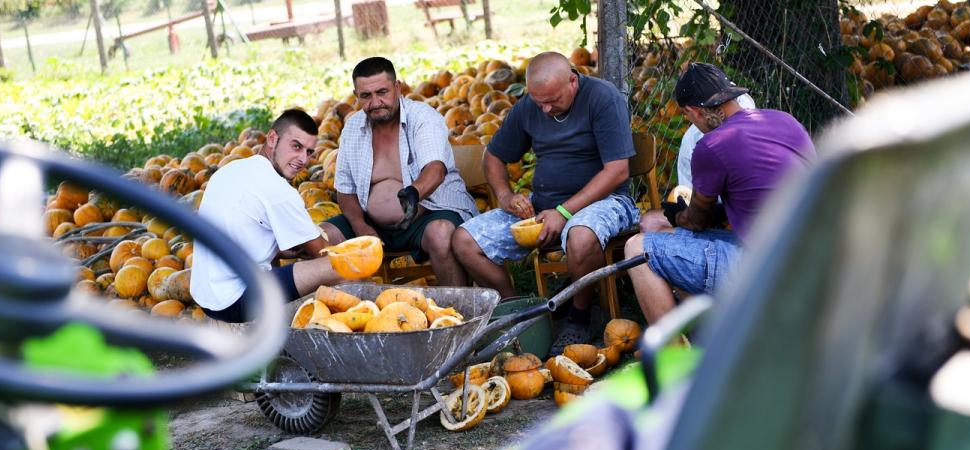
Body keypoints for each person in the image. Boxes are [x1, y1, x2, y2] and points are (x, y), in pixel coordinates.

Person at [452, 51, 639, 353]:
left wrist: (564, 212)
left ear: (573, 81)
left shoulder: (603, 98)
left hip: (606, 203)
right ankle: (522, 314)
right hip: (543, 207)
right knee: (463, 240)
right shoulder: (530, 106)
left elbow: (618, 170)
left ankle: (579, 317)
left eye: (553, 100)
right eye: (540, 102)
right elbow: (494, 157)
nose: (547, 109)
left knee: (581, 236)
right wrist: (505, 195)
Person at [625, 63, 816, 323]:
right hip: (816, 255)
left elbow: (696, 222)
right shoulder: (786, 121)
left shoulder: (712, 145)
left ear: (693, 111)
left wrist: (678, 214)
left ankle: (673, 358)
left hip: (769, 269)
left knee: (637, 249)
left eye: (687, 116)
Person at [322, 56, 477, 286]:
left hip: (425, 215)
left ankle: (464, 313)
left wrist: (413, 194)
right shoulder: (353, 128)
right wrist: (361, 226)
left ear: (397, 87)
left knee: (441, 233)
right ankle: (353, 312)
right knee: (323, 236)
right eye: (366, 96)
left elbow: (435, 169)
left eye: (382, 92)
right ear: (356, 96)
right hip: (371, 224)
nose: (375, 102)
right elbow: (345, 191)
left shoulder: (423, 117)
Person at [190, 109, 342, 323]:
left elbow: (250, 239)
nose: (302, 159)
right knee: (339, 268)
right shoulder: (279, 191)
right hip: (235, 300)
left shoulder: (232, 169)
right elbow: (323, 256)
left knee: (325, 234)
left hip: (207, 295)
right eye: (296, 146)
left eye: (309, 152)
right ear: (272, 138)